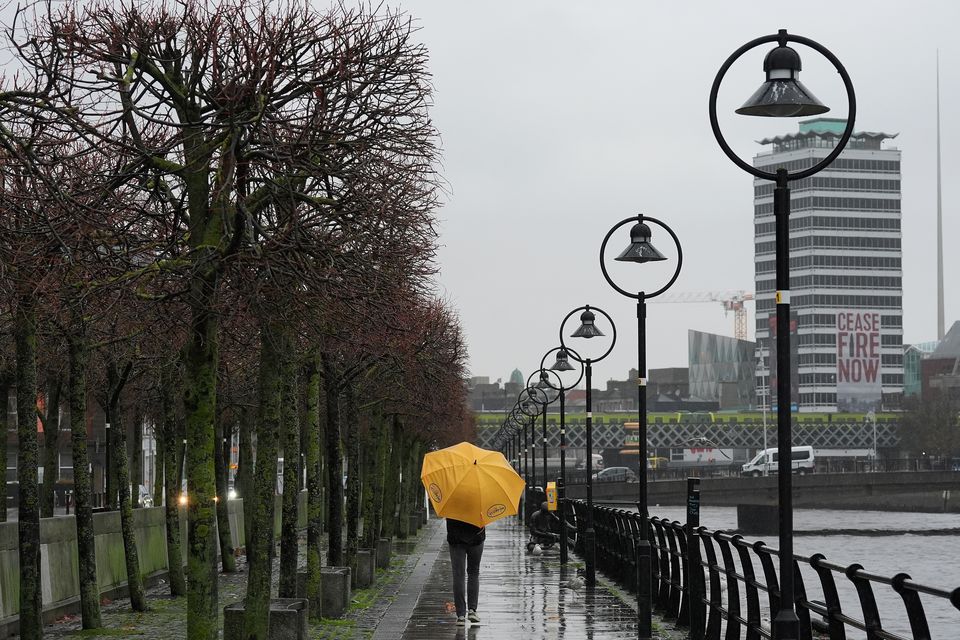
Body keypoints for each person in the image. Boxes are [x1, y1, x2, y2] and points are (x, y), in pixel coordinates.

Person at [446, 517, 485, 626]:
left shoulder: (450, 500)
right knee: (474, 573)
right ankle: (472, 610)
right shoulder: (480, 500)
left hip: (456, 538)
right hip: (476, 536)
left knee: (458, 575)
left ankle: (461, 615)